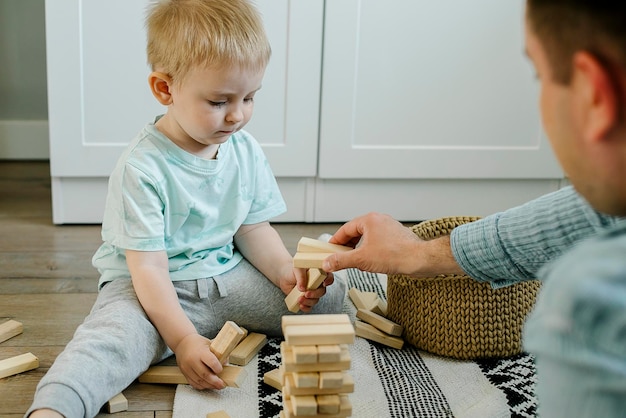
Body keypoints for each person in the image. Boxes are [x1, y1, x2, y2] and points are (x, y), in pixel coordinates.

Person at [27, 1, 345, 417]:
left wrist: (286, 276)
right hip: (154, 289)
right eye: (219, 101)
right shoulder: (142, 168)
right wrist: (181, 341)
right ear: (165, 89)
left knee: (328, 298)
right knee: (108, 344)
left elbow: (251, 230)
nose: (238, 115)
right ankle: (55, 407)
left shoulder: (243, 150)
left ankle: (214, 321)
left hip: (225, 277)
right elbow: (150, 270)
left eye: (249, 97)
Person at [324, 0, 626, 415]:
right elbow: (589, 215)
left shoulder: (590, 305)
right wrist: (420, 253)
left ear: (594, 95)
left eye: (540, 77)